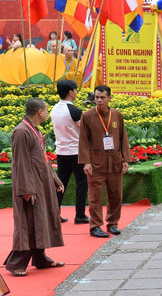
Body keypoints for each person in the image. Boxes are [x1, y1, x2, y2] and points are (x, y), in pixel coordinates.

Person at [4, 98, 65, 276]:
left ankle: (40, 257)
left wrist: (54, 178)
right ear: (40, 112)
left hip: (40, 182)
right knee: (29, 224)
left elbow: (43, 159)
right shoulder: (21, 132)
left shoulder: (35, 130)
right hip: (30, 186)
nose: (48, 113)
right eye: (46, 110)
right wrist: (26, 190)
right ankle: (16, 263)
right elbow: (20, 163)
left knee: (40, 221)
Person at [78, 85, 131, 238]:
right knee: (95, 197)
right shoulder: (87, 116)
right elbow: (83, 141)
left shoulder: (117, 115)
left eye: (102, 97)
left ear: (109, 98)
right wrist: (86, 162)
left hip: (115, 162)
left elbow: (123, 138)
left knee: (116, 195)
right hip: (96, 163)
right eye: (96, 97)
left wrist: (125, 159)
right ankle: (95, 226)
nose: (99, 100)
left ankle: (113, 223)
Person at [51, 79, 88, 224]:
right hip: (75, 151)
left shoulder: (54, 109)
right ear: (70, 92)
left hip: (61, 151)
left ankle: (54, 214)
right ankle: (80, 215)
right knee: (81, 182)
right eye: (76, 90)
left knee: (60, 183)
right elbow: (85, 130)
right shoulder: (74, 111)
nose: (76, 93)